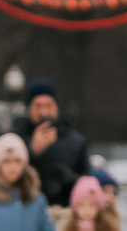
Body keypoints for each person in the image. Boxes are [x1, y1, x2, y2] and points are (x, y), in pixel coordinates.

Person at [16, 79, 92, 215]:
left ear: (56, 107)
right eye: (38, 106)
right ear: (28, 109)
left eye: (48, 105)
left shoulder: (75, 140)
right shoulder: (16, 140)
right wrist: (32, 153)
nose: (44, 112)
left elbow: (88, 182)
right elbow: (8, 178)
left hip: (67, 213)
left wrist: (70, 178)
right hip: (27, 211)